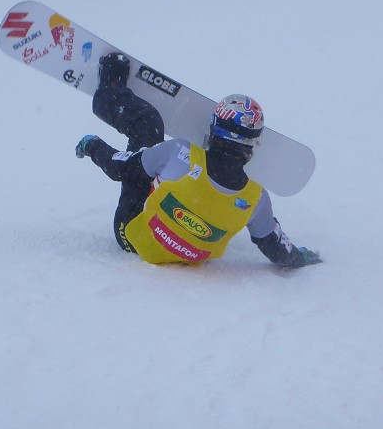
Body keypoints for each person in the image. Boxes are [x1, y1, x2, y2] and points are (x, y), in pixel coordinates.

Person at [75, 54, 322, 270]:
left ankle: (110, 87)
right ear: (253, 142)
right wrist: (298, 257)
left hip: (132, 237)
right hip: (188, 258)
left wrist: (93, 145)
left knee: (147, 125)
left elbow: (122, 169)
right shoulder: (256, 198)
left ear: (213, 128)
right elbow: (273, 244)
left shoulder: (180, 153)